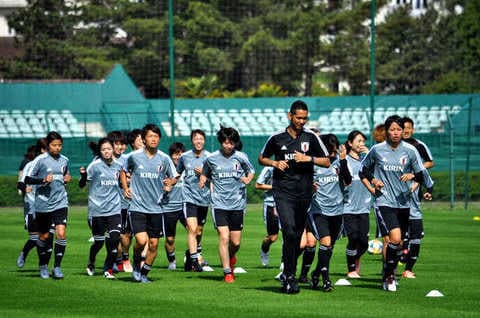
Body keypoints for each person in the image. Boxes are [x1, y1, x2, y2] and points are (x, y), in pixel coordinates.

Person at [258, 100, 329, 294]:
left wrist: (309, 158)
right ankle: (289, 276)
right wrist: (274, 164)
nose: (302, 121)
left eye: (305, 118)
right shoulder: (277, 138)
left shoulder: (311, 137)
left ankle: (288, 274)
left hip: (304, 193)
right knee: (289, 232)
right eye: (299, 118)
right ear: (290, 116)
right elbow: (261, 157)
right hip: (282, 192)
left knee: (296, 236)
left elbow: (327, 161)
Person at [359, 115, 433, 292]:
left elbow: (423, 174)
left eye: (398, 129)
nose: (396, 133)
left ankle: (387, 271)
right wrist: (374, 182)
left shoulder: (410, 150)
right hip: (384, 201)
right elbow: (363, 170)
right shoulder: (377, 150)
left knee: (398, 244)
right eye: (392, 130)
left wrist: (414, 176)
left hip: (404, 203)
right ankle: (390, 276)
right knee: (395, 238)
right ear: (386, 131)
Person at [120, 124, 176, 283]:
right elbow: (123, 171)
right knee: (141, 241)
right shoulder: (134, 156)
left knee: (153, 245)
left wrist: (169, 184)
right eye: (150, 136)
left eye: (156, 136)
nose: (154, 139)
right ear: (144, 139)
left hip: (157, 208)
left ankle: (144, 273)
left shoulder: (164, 158)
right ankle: (136, 264)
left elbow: (173, 177)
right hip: (137, 206)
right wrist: (125, 188)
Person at [199, 126, 255, 283]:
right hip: (219, 204)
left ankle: (230, 258)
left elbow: (251, 171)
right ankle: (227, 272)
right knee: (224, 237)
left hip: (237, 204)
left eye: (232, 143)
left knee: (235, 242)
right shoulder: (211, 158)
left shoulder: (241, 157)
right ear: (221, 142)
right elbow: (205, 171)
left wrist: (248, 179)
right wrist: (203, 179)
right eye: (226, 142)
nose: (229, 146)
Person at [25, 131, 71, 279]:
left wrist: (66, 179)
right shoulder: (40, 160)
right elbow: (27, 179)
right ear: (48, 145)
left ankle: (57, 267)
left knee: (61, 233)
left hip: (61, 202)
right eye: (54, 145)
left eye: (60, 145)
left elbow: (64, 176)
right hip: (43, 204)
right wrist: (42, 180)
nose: (57, 148)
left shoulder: (65, 160)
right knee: (44, 237)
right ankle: (43, 265)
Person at [309, 134, 352, 292]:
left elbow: (348, 181)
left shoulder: (338, 163)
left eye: (334, 151)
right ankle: (326, 280)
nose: (332, 154)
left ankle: (316, 273)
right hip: (319, 211)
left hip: (337, 211)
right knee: (325, 243)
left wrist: (343, 160)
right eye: (330, 151)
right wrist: (310, 187)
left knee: (329, 248)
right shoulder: (314, 165)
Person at [79, 138, 123, 279]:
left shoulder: (119, 165)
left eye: (109, 148)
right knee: (98, 243)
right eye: (103, 149)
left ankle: (107, 269)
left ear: (113, 149)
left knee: (115, 239)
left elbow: (121, 184)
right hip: (97, 211)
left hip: (115, 209)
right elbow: (82, 185)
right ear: (100, 151)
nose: (106, 151)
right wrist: (83, 176)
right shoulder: (95, 166)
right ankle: (91, 262)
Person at [401, 116, 435, 279]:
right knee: (397, 237)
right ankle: (392, 266)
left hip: (414, 192)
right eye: (403, 127)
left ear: (413, 129)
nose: (406, 130)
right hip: (395, 200)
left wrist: (416, 172)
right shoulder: (393, 148)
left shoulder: (418, 146)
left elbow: (429, 163)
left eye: (409, 128)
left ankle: (408, 267)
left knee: (415, 235)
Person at [176, 129, 211, 272]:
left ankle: (190, 255)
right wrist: (169, 183)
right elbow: (177, 173)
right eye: (196, 139)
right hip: (188, 197)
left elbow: (216, 178)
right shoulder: (184, 157)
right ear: (192, 141)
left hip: (204, 198)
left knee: (199, 231)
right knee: (192, 228)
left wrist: (204, 174)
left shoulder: (210, 157)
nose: (199, 141)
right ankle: (195, 260)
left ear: (204, 141)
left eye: (201, 139)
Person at [342, 130, 371, 278]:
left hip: (364, 208)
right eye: (358, 141)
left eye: (363, 141)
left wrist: (369, 156)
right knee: (353, 238)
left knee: (364, 243)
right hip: (348, 207)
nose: (361, 144)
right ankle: (351, 268)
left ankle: (356, 257)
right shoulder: (344, 160)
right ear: (350, 143)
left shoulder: (367, 161)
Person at [16, 138, 48, 268]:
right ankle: (24, 253)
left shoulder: (54, 164)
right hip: (32, 206)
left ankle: (45, 266)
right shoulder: (31, 165)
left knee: (47, 237)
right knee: (35, 238)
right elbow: (20, 183)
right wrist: (25, 188)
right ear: (42, 150)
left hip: (48, 206)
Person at [106, 130, 132, 273]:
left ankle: (123, 258)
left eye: (123, 144)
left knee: (127, 235)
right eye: (117, 144)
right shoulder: (105, 160)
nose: (120, 147)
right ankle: (117, 260)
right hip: (111, 205)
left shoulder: (129, 159)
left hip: (127, 203)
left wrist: (129, 179)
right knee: (116, 235)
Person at [162, 142, 187, 270]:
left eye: (180, 155)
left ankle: (192, 256)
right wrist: (164, 187)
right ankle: (172, 261)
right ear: (171, 155)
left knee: (194, 232)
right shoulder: (165, 167)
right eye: (175, 154)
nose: (178, 157)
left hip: (184, 207)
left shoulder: (188, 168)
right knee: (170, 239)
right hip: (168, 208)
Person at [256, 166, 279, 267]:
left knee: (289, 234)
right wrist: (275, 187)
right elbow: (258, 185)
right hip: (270, 204)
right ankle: (264, 251)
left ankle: (285, 262)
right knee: (272, 237)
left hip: (286, 203)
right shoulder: (269, 169)